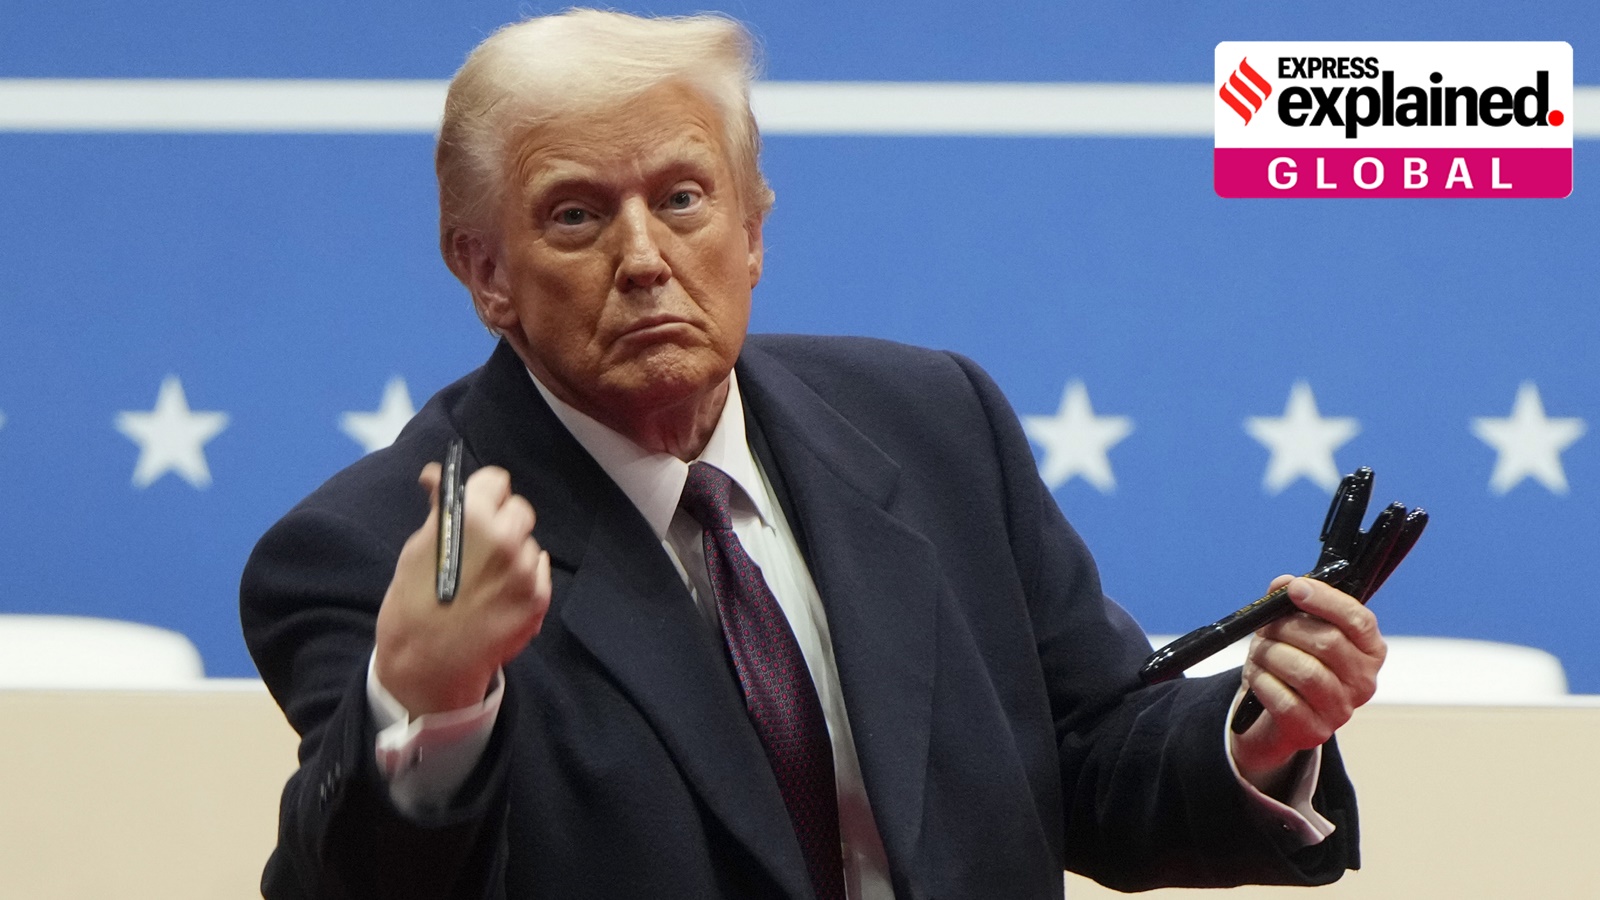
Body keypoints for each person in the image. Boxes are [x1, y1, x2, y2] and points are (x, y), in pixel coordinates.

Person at [241, 10, 1385, 899]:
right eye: (576, 216)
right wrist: (423, 698)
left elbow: (1087, 750)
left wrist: (1258, 735)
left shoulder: (935, 425)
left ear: (751, 230)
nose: (643, 258)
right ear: (485, 272)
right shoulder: (369, 552)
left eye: (681, 198)